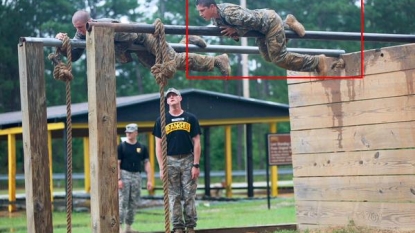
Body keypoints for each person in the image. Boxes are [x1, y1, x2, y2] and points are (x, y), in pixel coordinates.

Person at [55, 10, 231, 76]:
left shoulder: (108, 25)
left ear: (89, 21)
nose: (78, 31)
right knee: (164, 67)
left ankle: (217, 61)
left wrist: (115, 51)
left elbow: (129, 38)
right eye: (76, 28)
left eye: (80, 27)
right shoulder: (81, 34)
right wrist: (61, 45)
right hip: (137, 50)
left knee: (173, 61)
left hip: (144, 38)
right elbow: (75, 55)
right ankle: (186, 41)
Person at [195, 0, 328, 76]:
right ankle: (288, 24)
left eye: (202, 10)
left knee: (279, 58)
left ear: (212, 7)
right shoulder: (216, 20)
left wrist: (236, 30)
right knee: (268, 57)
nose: (201, 14)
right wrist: (235, 34)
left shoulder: (229, 13)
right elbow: (239, 29)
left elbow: (253, 20)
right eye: (199, 11)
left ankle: (317, 62)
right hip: (260, 31)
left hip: (269, 22)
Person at [152, 88, 201, 233]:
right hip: (170, 161)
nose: (172, 97)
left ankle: (190, 226)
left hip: (187, 159)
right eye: (169, 96)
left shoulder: (190, 118)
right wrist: (161, 167)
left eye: (174, 95)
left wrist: (196, 164)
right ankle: (178, 227)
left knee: (189, 195)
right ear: (166, 101)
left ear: (180, 99)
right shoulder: (161, 120)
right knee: (174, 196)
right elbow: (158, 146)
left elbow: (197, 142)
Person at [118, 123, 153, 233]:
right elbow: (117, 163)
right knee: (122, 202)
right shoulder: (121, 147)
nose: (128, 134)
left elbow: (147, 163)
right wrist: (119, 179)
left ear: (136, 133)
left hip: (137, 175)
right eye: (127, 132)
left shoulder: (142, 147)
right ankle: (119, 227)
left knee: (133, 202)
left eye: (131, 132)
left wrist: (150, 179)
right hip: (124, 174)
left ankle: (128, 227)